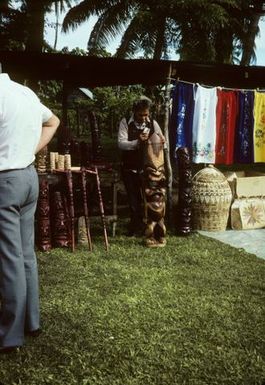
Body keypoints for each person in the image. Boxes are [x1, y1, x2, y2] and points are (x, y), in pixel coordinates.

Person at [0, 73, 60, 353]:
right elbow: (53, 121)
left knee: (10, 257)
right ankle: (30, 321)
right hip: (28, 177)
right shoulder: (25, 93)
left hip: (7, 181)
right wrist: (29, 149)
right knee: (25, 254)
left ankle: (9, 335)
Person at [118, 96, 165, 236]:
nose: (144, 118)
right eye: (141, 115)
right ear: (134, 111)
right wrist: (137, 142)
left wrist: (162, 141)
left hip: (148, 168)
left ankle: (147, 225)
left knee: (149, 198)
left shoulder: (153, 123)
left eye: (146, 114)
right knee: (133, 200)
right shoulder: (125, 122)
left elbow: (163, 142)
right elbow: (121, 143)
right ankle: (134, 227)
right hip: (129, 167)